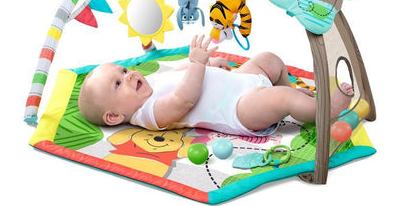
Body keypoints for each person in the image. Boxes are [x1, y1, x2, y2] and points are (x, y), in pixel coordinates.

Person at [78, 35, 353, 136]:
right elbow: (183, 100)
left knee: (268, 60)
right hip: (239, 108)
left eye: (124, 70)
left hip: (240, 80)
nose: (128, 75)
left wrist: (208, 64)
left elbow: (182, 73)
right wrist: (198, 64)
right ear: (114, 116)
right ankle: (324, 111)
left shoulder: (151, 83)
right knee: (281, 98)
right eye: (118, 83)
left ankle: (296, 100)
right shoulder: (147, 114)